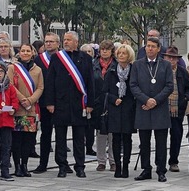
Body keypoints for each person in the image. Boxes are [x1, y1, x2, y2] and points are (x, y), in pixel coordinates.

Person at [44, 31, 95, 178]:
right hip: (61, 103)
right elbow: (50, 81)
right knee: (60, 137)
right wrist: (50, 102)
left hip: (79, 103)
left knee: (79, 137)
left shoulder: (85, 58)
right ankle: (62, 165)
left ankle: (80, 166)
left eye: (69, 40)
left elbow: (90, 82)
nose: (65, 42)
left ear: (76, 42)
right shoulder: (57, 58)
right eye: (64, 40)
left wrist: (90, 103)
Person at [130, 37, 173, 182]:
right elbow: (133, 85)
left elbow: (169, 86)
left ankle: (161, 170)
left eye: (153, 46)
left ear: (158, 48)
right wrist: (146, 100)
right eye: (148, 46)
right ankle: (146, 169)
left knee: (161, 142)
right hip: (143, 107)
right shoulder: (137, 64)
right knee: (144, 142)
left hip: (159, 108)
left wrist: (155, 100)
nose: (150, 49)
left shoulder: (166, 65)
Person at [6, 43, 44, 178]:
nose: (26, 53)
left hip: (31, 109)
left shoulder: (38, 70)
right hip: (18, 109)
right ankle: (17, 165)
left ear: (32, 53)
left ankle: (25, 165)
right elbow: (9, 85)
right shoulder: (12, 68)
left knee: (28, 140)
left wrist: (31, 100)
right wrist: (23, 99)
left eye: (28, 51)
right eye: (23, 51)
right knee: (17, 140)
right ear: (19, 53)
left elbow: (40, 88)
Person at [103, 44, 136, 178]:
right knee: (115, 139)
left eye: (124, 53)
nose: (121, 55)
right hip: (115, 109)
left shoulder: (134, 70)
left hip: (129, 109)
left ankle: (126, 167)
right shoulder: (111, 71)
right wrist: (113, 99)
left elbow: (136, 88)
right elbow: (104, 91)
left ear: (129, 56)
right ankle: (117, 166)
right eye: (119, 53)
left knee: (127, 138)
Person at [32, 32, 61, 174]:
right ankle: (43, 163)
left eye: (51, 41)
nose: (48, 44)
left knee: (61, 134)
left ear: (58, 44)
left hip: (61, 102)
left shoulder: (64, 59)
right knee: (45, 134)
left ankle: (62, 162)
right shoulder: (38, 60)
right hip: (44, 102)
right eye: (47, 41)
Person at [165, 46, 189, 172]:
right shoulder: (160, 71)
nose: (171, 60)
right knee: (161, 137)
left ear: (177, 60)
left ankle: (173, 161)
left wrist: (186, 98)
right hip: (163, 109)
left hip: (178, 109)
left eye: (174, 58)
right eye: (169, 57)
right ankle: (160, 162)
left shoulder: (182, 72)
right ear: (165, 58)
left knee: (176, 136)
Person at [90, 40, 114, 171]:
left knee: (113, 133)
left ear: (112, 51)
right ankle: (101, 161)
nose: (104, 51)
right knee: (100, 133)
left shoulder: (115, 64)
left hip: (112, 101)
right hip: (98, 102)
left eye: (107, 49)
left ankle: (113, 160)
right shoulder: (93, 64)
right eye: (102, 49)